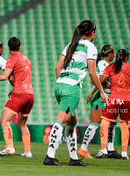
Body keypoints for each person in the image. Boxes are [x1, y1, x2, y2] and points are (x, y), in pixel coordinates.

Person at [43, 20, 107, 166]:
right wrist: (102, 92)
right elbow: (92, 72)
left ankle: (74, 158)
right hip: (72, 87)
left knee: (72, 121)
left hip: (59, 85)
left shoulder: (71, 45)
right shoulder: (90, 47)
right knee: (61, 120)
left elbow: (57, 67)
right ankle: (49, 155)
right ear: (92, 32)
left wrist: (62, 82)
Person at [77, 45, 120, 159]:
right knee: (95, 123)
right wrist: (105, 86)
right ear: (109, 54)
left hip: (107, 96)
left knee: (111, 124)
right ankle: (83, 149)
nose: (114, 55)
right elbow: (99, 79)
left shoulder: (105, 64)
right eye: (113, 53)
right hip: (101, 97)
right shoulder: (103, 64)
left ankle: (110, 149)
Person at [99, 49, 130, 160]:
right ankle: (124, 153)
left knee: (105, 121)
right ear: (126, 58)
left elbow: (101, 80)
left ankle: (103, 148)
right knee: (124, 125)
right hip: (127, 100)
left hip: (114, 99)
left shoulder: (110, 67)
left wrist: (108, 86)